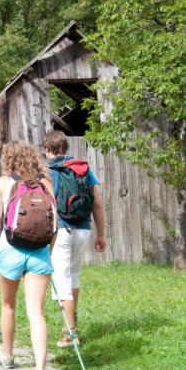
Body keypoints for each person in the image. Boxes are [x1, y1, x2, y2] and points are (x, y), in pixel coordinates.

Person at [0, 143, 57, 370]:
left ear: (8, 160)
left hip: (10, 251)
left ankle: (8, 355)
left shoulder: (0, 183)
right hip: (39, 252)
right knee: (36, 312)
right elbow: (54, 222)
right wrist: (48, 252)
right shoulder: (45, 184)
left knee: (8, 306)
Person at [43, 130, 107, 347]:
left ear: (47, 149)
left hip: (61, 229)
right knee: (74, 276)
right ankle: (69, 325)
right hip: (83, 228)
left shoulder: (48, 170)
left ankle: (71, 334)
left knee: (61, 279)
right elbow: (96, 202)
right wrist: (102, 234)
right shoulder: (83, 168)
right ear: (65, 148)